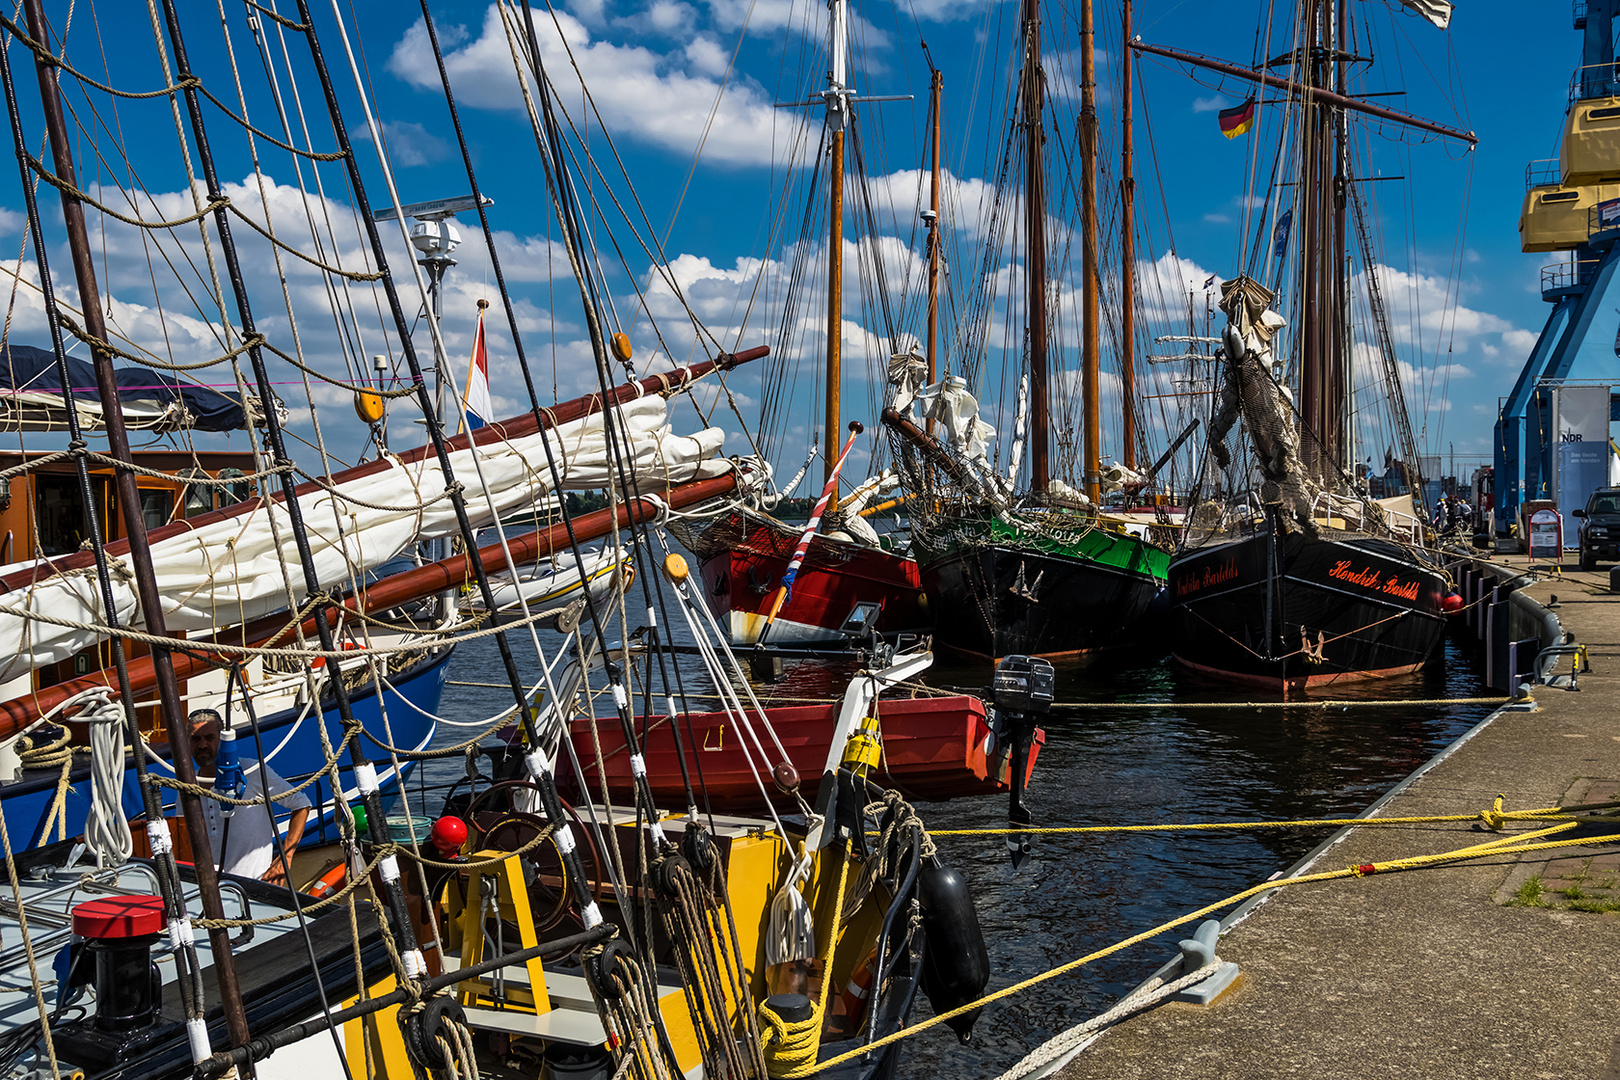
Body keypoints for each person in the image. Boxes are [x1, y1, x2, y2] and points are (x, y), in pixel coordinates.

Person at [188, 709, 310, 884]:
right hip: (212, 890)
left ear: (223, 741)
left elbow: (301, 803)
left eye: (209, 738)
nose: (202, 745)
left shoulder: (251, 771)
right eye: (195, 739)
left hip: (256, 886)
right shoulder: (187, 784)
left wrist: (285, 859)